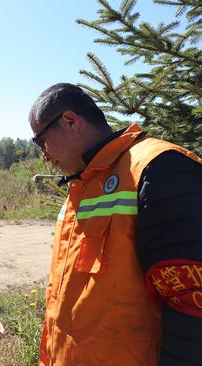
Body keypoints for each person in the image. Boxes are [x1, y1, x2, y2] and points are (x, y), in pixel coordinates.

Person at [29, 83, 202, 365]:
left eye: (41, 141)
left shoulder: (159, 170)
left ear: (70, 121)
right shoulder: (79, 188)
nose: (45, 156)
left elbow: (192, 310)